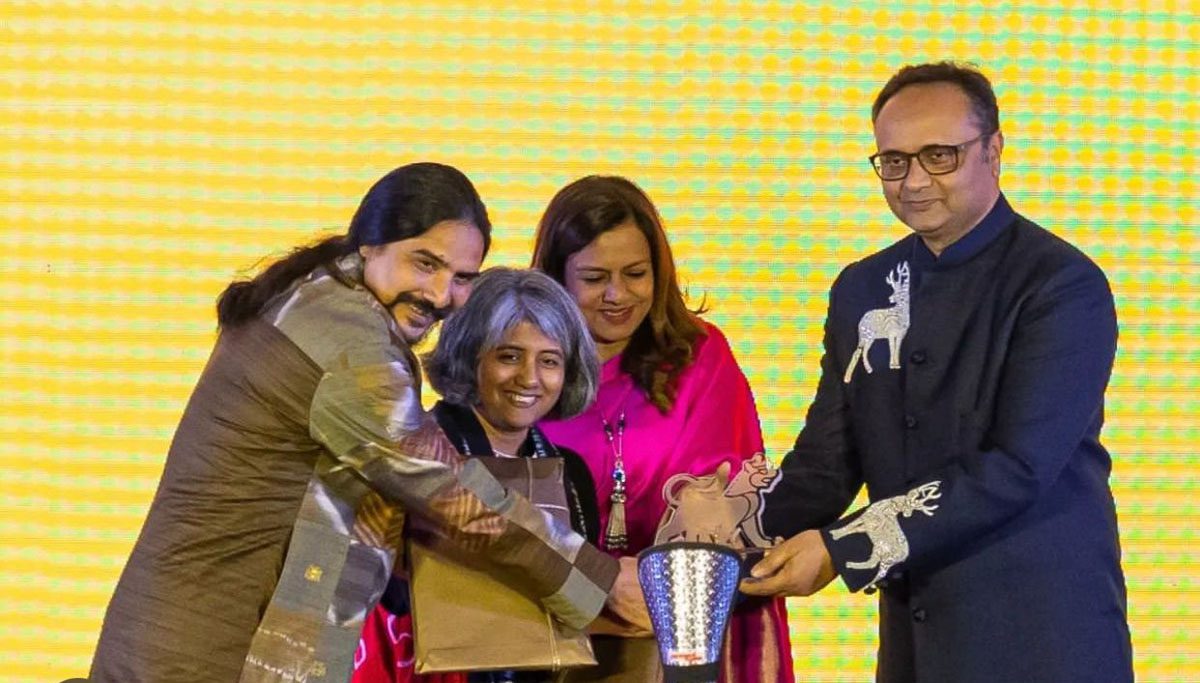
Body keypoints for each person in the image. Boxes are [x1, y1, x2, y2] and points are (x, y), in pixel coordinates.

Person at [89, 163, 641, 683]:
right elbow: (453, 494)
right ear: (369, 243)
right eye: (425, 263)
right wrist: (603, 580)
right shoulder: (350, 340)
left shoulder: (324, 299)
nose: (440, 295)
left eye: (462, 277)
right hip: (203, 647)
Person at [741, 62, 1134, 682]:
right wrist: (726, 541)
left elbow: (1017, 467)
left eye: (940, 156)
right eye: (893, 161)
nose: (914, 181)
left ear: (995, 150)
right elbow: (828, 458)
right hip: (915, 640)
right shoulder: (863, 288)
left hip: (1041, 635)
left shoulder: (1061, 284)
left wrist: (844, 550)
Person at [532, 175, 793, 683]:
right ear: (556, 278)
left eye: (636, 274)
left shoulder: (702, 358)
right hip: (551, 633)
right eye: (593, 278)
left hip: (684, 633)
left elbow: (735, 497)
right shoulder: (525, 367)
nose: (618, 295)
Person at [352, 267, 603, 683]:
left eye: (550, 361)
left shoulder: (570, 473)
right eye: (509, 356)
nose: (530, 378)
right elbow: (384, 595)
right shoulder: (417, 454)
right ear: (470, 357)